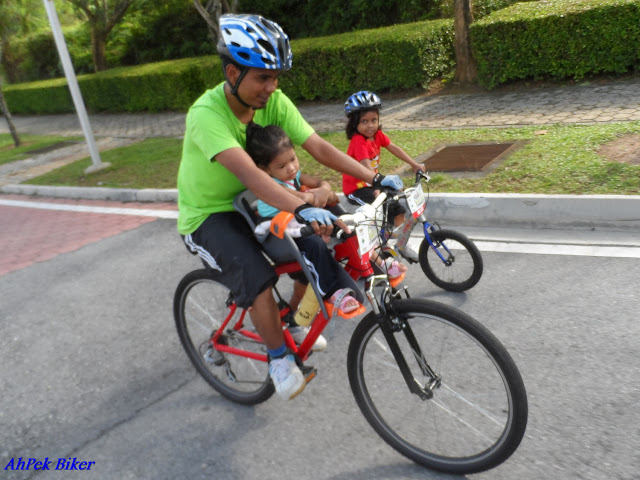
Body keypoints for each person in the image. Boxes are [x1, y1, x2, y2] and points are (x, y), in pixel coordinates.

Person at [176, 14, 404, 401]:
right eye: (263, 77)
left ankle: (294, 322)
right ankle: (279, 358)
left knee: (314, 249)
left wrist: (375, 178)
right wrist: (301, 207)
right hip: (211, 214)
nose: (273, 87)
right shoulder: (206, 114)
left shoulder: (274, 102)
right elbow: (251, 176)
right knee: (257, 278)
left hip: (264, 201)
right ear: (232, 72)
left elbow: (319, 148)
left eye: (277, 77)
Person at [246, 122, 407, 297]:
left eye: (292, 159)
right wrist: (319, 195)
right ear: (264, 170)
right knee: (315, 246)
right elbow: (301, 199)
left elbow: (321, 183)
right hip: (283, 236)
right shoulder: (271, 186)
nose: (291, 168)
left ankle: (380, 262)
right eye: (282, 166)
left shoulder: (294, 176)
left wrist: (324, 190)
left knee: (349, 224)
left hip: (301, 223)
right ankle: (333, 293)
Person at [342, 90, 425, 258]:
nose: (370, 125)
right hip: (356, 189)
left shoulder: (377, 135)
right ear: (354, 124)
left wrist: (414, 164)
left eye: (374, 120)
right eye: (364, 121)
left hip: (373, 182)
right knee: (377, 213)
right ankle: (378, 246)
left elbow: (394, 148)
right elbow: (365, 166)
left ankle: (401, 243)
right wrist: (377, 186)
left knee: (398, 209)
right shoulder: (358, 141)